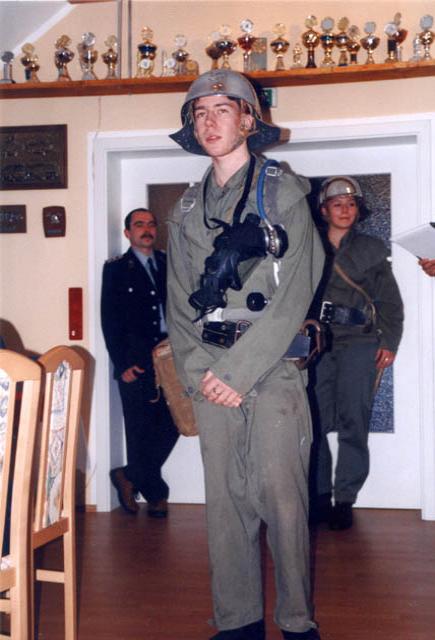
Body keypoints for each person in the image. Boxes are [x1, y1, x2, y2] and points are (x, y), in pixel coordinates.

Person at [166, 69, 324, 640]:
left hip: (272, 366)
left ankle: (297, 622)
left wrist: (236, 372)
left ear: (248, 121)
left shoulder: (284, 192)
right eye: (200, 113)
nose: (210, 122)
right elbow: (178, 302)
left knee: (283, 500)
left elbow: (296, 291)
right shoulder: (186, 209)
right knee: (225, 505)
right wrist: (199, 373)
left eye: (223, 110)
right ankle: (238, 623)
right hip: (210, 371)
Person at [310, 176, 404, 530]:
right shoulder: (307, 245)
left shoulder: (371, 249)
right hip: (317, 344)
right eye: (337, 204)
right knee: (314, 422)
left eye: (351, 204)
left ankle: (345, 499)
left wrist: (389, 341)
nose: (345, 210)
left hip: (359, 343)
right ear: (324, 210)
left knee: (354, 421)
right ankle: (319, 495)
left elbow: (390, 302)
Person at [101, 208, 179, 518]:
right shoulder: (117, 269)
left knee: (175, 421)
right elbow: (109, 319)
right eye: (139, 224)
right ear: (127, 233)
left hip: (169, 358)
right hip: (135, 361)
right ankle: (156, 494)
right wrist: (122, 364)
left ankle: (129, 475)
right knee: (138, 429)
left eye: (151, 224)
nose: (147, 229)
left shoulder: (168, 263)